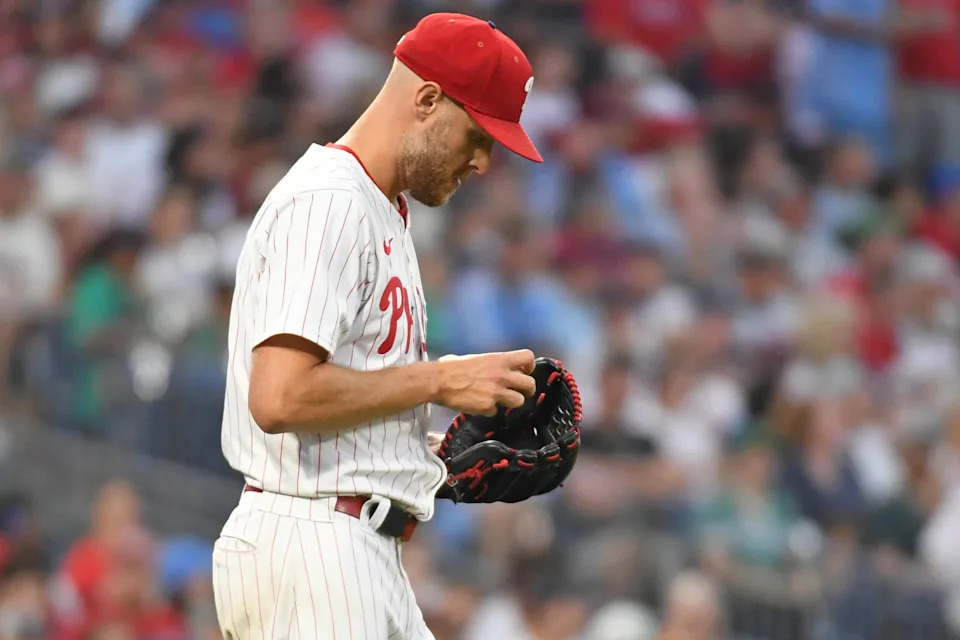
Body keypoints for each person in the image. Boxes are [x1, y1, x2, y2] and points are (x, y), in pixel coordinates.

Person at [212, 12, 544, 640]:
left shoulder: (380, 208)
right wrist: (440, 380)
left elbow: (340, 401)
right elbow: (280, 396)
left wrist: (430, 455)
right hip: (311, 547)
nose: (483, 164)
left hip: (355, 551)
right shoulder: (329, 203)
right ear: (427, 100)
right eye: (478, 137)